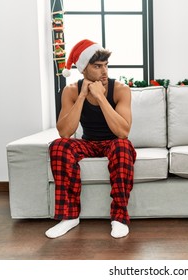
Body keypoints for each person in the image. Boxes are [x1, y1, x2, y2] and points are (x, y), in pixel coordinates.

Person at [45, 39, 136, 239]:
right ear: (83, 69)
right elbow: (65, 133)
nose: (104, 71)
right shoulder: (71, 91)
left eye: (106, 65)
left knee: (123, 146)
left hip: (113, 143)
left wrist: (101, 97)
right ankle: (69, 217)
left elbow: (123, 132)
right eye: (97, 66)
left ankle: (119, 218)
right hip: (87, 143)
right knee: (59, 146)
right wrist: (82, 96)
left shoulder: (120, 89)